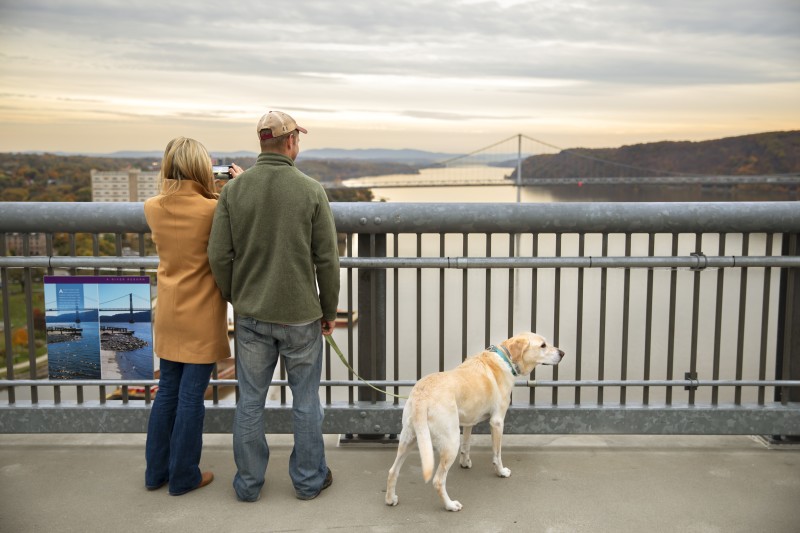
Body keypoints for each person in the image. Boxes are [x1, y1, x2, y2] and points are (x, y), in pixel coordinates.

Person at [208, 110, 340, 502]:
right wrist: (329, 311)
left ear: (261, 142)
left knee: (249, 401)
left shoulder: (234, 190)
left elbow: (219, 255)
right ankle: (308, 481)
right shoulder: (311, 190)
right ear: (289, 142)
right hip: (301, 315)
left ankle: (248, 485)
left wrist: (237, 296)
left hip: (251, 314)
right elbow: (327, 260)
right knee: (305, 401)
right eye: (297, 138)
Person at [144, 137, 233, 495]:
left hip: (167, 311)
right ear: (200, 168)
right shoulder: (213, 208)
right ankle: (183, 476)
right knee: (191, 397)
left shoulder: (152, 206)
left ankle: (156, 473)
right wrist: (231, 185)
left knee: (166, 392)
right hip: (201, 314)